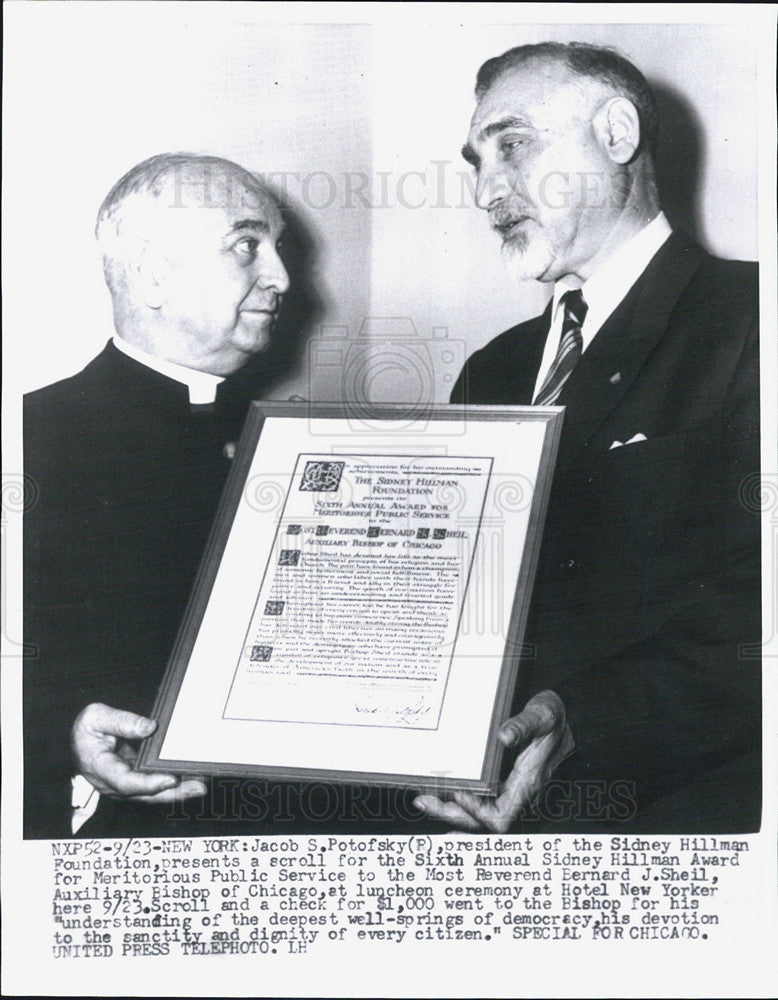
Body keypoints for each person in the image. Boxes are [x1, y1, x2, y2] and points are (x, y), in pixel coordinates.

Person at [415, 42, 761, 834]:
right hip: (474, 817)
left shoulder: (752, 321)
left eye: (512, 144)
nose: (484, 189)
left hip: (676, 816)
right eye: (476, 160)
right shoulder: (490, 371)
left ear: (616, 134)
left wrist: (585, 719)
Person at [23, 153, 292, 838]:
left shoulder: (296, 446)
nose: (281, 278)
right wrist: (62, 730)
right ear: (150, 276)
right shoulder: (27, 438)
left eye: (278, 250)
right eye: (246, 246)